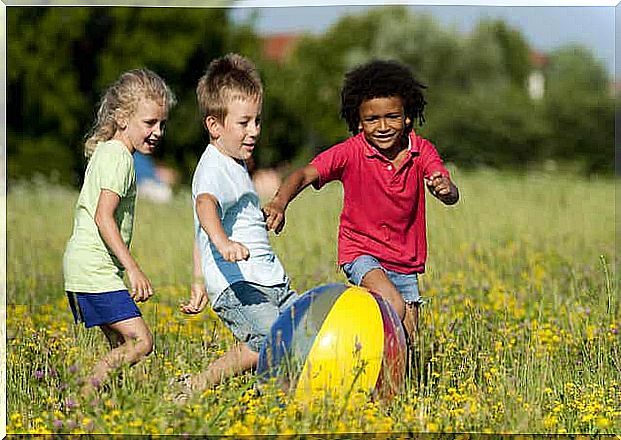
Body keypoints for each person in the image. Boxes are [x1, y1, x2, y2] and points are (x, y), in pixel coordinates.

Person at [263, 59, 459, 348]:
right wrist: (280, 202)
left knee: (408, 340)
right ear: (358, 121)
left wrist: (445, 190)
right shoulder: (350, 152)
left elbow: (447, 187)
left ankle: (388, 387)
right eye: (372, 119)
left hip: (405, 261)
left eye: (392, 117)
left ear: (407, 117)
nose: (382, 127)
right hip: (361, 252)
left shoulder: (421, 151)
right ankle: (349, 350)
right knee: (392, 305)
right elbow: (304, 174)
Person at [178, 53, 298, 397]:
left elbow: (202, 228)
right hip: (240, 286)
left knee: (303, 334)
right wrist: (224, 244)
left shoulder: (235, 164)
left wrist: (198, 278)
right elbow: (205, 208)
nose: (254, 131)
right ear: (215, 126)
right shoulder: (214, 166)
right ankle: (217, 388)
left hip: (270, 280)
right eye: (244, 123)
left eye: (257, 121)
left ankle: (251, 391)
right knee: (273, 341)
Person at [63, 68, 176, 398]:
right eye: (149, 123)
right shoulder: (120, 159)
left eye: (162, 124)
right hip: (94, 270)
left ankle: (111, 405)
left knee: (121, 346)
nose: (157, 132)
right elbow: (104, 217)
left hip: (86, 267)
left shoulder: (108, 151)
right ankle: (80, 400)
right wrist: (133, 268)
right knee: (142, 341)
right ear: (122, 118)